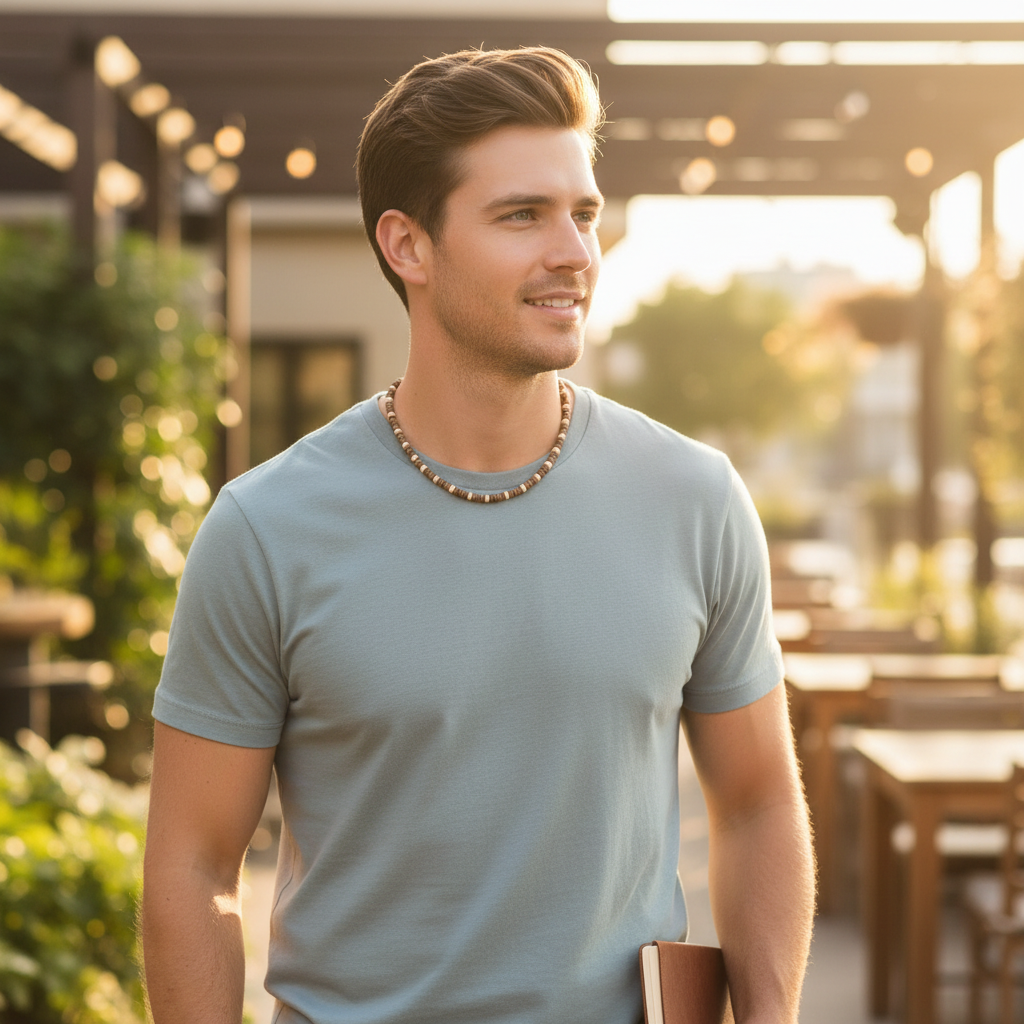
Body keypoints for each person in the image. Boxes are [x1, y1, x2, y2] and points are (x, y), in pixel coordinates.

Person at [142, 46, 814, 1024]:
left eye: (581, 212)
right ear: (408, 246)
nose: (574, 251)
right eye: (520, 216)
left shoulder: (693, 498)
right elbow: (193, 865)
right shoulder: (266, 528)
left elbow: (756, 802)